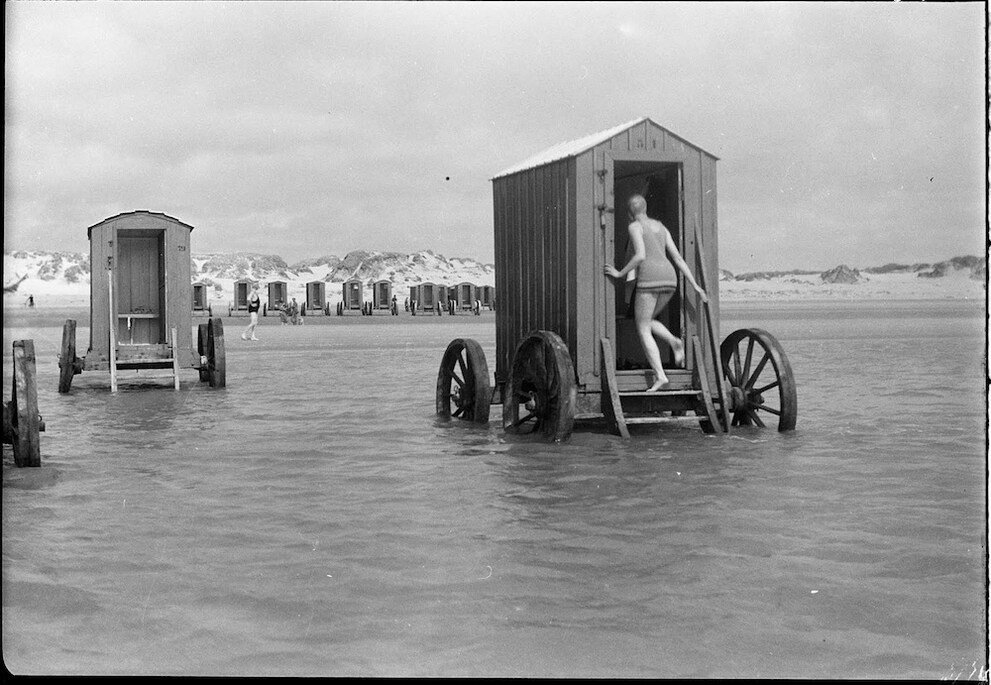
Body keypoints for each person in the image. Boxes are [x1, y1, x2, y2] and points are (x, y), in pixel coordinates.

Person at [604, 194, 707, 391]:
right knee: (648, 320)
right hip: (670, 278)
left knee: (642, 328)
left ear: (629, 213)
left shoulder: (635, 226)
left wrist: (619, 273)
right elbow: (677, 257)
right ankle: (674, 341)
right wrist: (695, 285)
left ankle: (661, 375)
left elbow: (640, 255)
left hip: (649, 278)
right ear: (645, 208)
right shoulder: (661, 227)